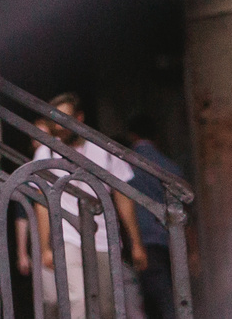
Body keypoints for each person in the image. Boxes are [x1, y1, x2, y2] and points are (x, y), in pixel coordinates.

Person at [13, 95, 146, 314]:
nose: (59, 125)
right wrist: (45, 247)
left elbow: (123, 197)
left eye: (65, 118)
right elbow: (42, 203)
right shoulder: (45, 153)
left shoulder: (104, 149)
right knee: (79, 301)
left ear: (80, 118)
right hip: (67, 237)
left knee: (106, 307)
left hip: (104, 238)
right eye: (55, 119)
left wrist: (136, 243)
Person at [123, 118, 179, 319]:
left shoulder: (126, 164)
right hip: (168, 239)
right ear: (155, 136)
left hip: (142, 240)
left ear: (132, 135)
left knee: (151, 301)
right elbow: (184, 208)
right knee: (169, 294)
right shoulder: (168, 165)